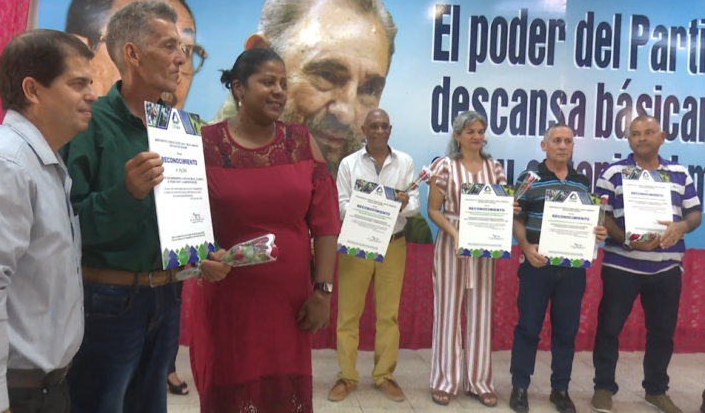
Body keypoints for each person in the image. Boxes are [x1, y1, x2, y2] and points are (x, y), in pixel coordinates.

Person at [210, 0, 431, 244]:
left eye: (369, 88)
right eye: (326, 74)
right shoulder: (200, 157)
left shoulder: (407, 231)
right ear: (262, 53)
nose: (347, 113)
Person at [0, 29, 96, 413]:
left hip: (41, 388)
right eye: (78, 84)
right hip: (6, 395)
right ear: (33, 90)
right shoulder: (2, 166)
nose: (92, 94)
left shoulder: (41, 162)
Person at [189, 48, 340, 412]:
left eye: (283, 84)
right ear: (239, 88)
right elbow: (184, 220)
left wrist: (323, 291)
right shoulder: (205, 144)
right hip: (227, 298)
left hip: (288, 302)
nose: (278, 91)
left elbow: (325, 223)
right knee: (228, 384)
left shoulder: (301, 143)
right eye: (268, 82)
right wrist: (201, 256)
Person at [60, 0, 187, 413]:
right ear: (132, 54)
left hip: (167, 295)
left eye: (183, 47)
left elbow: (182, 213)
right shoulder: (89, 124)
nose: (181, 57)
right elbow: (67, 225)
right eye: (169, 45)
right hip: (107, 299)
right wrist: (125, 194)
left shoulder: (177, 127)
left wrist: (203, 250)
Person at [591, 115, 701, 413]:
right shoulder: (613, 173)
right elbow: (602, 216)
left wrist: (681, 227)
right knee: (609, 329)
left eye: (649, 132)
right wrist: (628, 239)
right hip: (621, 265)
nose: (642, 138)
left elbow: (694, 214)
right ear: (629, 140)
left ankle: (656, 390)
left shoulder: (680, 174)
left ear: (662, 136)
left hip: (666, 268)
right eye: (635, 133)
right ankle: (603, 387)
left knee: (662, 332)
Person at [508, 124, 607, 413]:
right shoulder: (529, 178)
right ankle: (520, 387)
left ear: (573, 147)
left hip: (572, 270)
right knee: (528, 328)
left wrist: (597, 233)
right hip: (536, 266)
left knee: (566, 331)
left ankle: (560, 389)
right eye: (556, 141)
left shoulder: (581, 182)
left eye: (568, 141)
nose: (562, 145)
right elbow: (517, 218)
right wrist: (526, 247)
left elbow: (589, 225)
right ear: (544, 145)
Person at [426, 110, 519, 408]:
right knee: (448, 314)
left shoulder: (495, 168)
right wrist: (456, 234)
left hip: (484, 248)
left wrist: (509, 209)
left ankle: (480, 381)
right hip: (451, 243)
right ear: (457, 136)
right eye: (471, 131)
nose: (477, 136)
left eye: (481, 131)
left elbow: (502, 209)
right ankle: (445, 381)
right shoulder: (443, 166)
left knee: (480, 314)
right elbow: (434, 210)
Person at [328, 109, 418, 403]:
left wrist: (400, 204)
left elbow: (415, 204)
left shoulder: (404, 162)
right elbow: (340, 204)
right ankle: (347, 376)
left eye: (384, 126)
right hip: (358, 242)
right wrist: (369, 207)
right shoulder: (348, 164)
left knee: (388, 315)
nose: (379, 130)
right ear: (364, 129)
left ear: (390, 129)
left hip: (394, 243)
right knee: (348, 314)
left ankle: (384, 375)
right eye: (374, 126)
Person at [66, 0, 203, 109]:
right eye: (166, 46)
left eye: (186, 49)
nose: (179, 61)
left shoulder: (194, 130)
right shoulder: (63, 130)